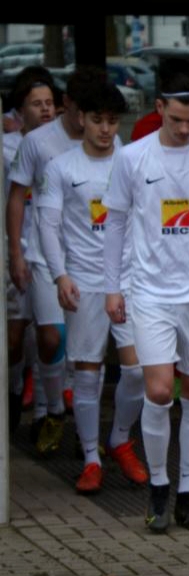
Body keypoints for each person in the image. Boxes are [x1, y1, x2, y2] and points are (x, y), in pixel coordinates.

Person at [103, 75, 189, 534]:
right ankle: (159, 486)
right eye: (176, 119)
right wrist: (112, 287)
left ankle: (188, 495)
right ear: (158, 108)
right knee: (157, 390)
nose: (185, 128)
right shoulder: (132, 157)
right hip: (150, 291)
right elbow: (115, 224)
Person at [37, 82, 148, 494]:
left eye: (112, 121)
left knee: (137, 371)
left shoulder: (132, 161)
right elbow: (47, 224)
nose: (105, 129)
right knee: (87, 372)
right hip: (83, 281)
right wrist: (60, 275)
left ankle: (119, 439)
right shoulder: (61, 168)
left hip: (130, 280)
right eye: (97, 120)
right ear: (81, 118)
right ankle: (90, 459)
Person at [7, 65, 109, 456]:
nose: (91, 123)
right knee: (51, 338)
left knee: (89, 350)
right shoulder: (37, 142)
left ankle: (88, 433)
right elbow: (16, 197)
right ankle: (51, 411)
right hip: (43, 255)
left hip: (92, 258)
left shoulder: (110, 142)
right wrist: (16, 252)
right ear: (69, 104)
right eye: (84, 112)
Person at [5, 69, 57, 426]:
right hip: (15, 249)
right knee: (13, 338)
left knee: (48, 335)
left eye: (50, 103)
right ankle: (11, 393)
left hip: (47, 253)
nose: (46, 110)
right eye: (37, 104)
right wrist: (13, 253)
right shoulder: (7, 146)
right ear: (20, 110)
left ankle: (43, 411)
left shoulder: (63, 145)